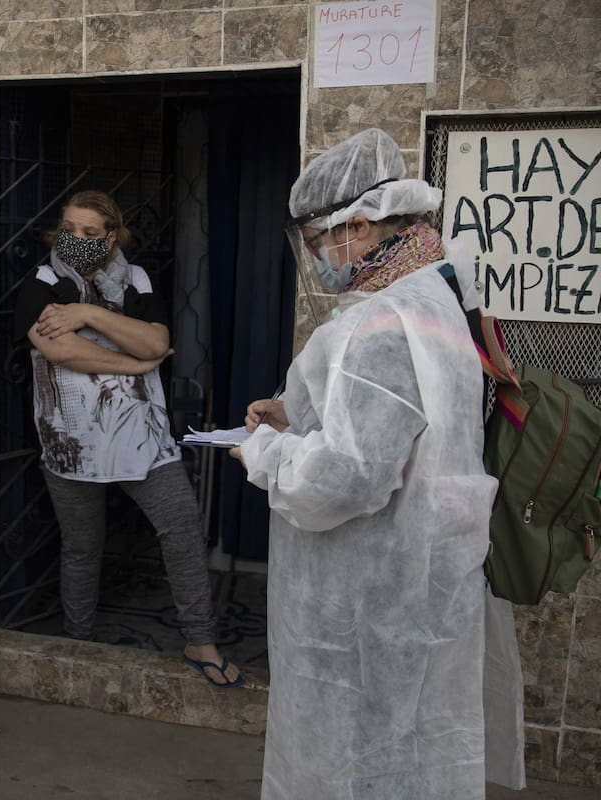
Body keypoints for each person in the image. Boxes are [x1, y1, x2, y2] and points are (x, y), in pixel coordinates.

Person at [232, 128, 524, 798]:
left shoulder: (379, 324)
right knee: (413, 753)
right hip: (422, 580)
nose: (315, 258)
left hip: (371, 593)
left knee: (358, 762)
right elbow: (399, 425)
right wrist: (296, 411)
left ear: (358, 227)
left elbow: (346, 477)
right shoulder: (442, 293)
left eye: (316, 242)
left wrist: (265, 452)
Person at [13, 190, 242, 687]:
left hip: (142, 435)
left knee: (180, 531)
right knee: (81, 546)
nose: (76, 240)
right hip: (70, 439)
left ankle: (199, 638)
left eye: (90, 234)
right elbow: (62, 351)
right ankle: (79, 642)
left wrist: (89, 315)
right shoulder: (42, 281)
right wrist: (137, 363)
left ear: (111, 236)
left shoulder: (135, 279)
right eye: (69, 229)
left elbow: (156, 340)